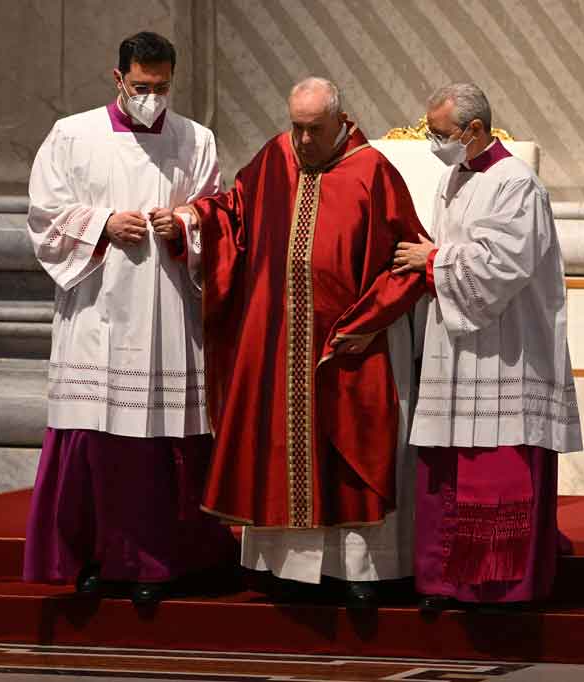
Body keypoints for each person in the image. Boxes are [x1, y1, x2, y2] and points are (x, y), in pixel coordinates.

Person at [163, 77, 426, 607]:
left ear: (341, 122)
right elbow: (234, 212)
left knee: (348, 451)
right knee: (280, 448)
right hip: (279, 343)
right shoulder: (276, 157)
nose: (303, 141)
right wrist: (195, 220)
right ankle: (284, 568)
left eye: (315, 130)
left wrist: (370, 321)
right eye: (297, 128)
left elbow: (410, 256)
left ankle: (360, 571)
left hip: (349, 345)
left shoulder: (373, 172)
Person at [22, 31, 236, 605]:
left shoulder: (196, 138)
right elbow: (44, 215)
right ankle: (98, 557)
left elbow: (219, 212)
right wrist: (102, 225)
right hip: (99, 310)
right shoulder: (73, 135)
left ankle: (166, 560)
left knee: (167, 441)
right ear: (118, 78)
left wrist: (187, 225)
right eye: (141, 87)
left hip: (168, 309)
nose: (152, 97)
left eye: (163, 87)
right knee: (99, 437)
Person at [393, 82, 582, 610]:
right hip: (457, 344)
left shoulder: (516, 183)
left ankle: (496, 586)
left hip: (506, 347)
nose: (433, 142)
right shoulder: (454, 177)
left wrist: (432, 262)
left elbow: (504, 265)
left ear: (474, 130)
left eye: (440, 133)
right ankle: (443, 580)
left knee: (493, 464)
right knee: (448, 461)